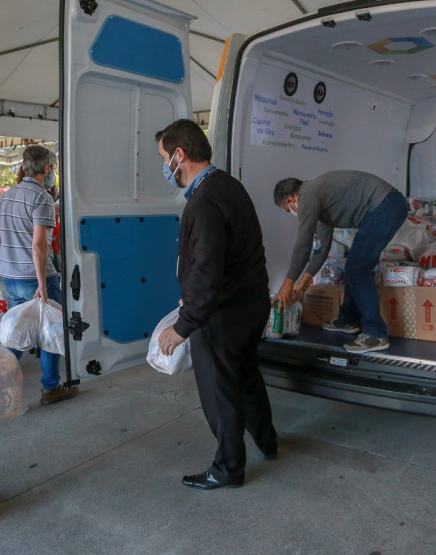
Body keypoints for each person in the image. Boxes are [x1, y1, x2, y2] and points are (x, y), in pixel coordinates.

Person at [155, 119, 277, 490]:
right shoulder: (226, 185)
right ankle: (267, 442)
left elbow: (208, 269)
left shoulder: (204, 201)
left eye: (164, 157)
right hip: (249, 305)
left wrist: (184, 325)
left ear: (180, 154)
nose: (164, 167)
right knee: (246, 377)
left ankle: (227, 469)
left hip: (223, 314)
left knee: (219, 390)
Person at [273, 170, 409, 354]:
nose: (291, 212)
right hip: (385, 206)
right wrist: (302, 284)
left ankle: (375, 334)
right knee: (354, 266)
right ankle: (347, 320)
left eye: (287, 209)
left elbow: (303, 244)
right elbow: (320, 251)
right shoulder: (321, 204)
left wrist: (287, 284)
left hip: (385, 206)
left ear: (291, 200)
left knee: (358, 269)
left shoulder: (308, 196)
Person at [0, 146, 78, 405]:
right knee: (49, 331)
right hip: (35, 277)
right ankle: (50, 387)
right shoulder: (42, 198)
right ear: (47, 169)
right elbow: (39, 245)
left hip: (10, 275)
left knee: (18, 330)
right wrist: (42, 283)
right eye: (53, 170)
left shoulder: (8, 195)